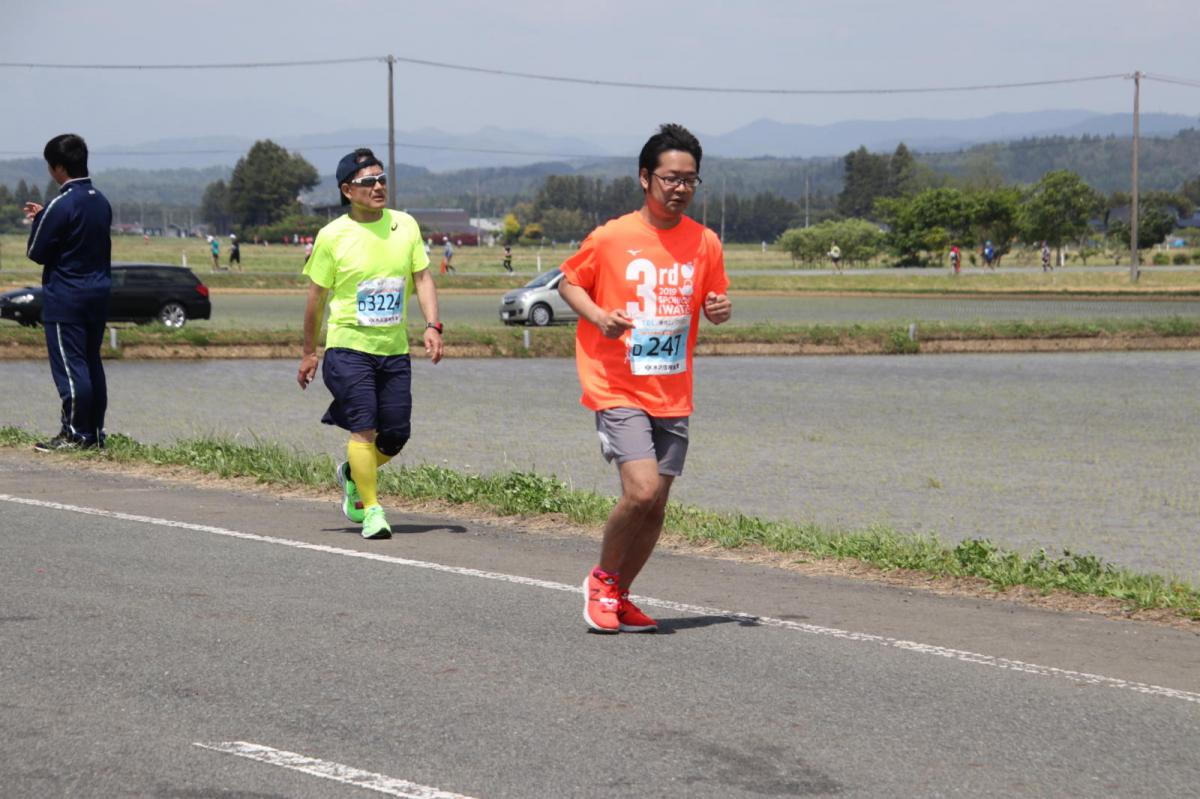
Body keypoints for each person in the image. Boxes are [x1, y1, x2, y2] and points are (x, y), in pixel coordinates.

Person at [558, 123, 731, 634]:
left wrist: (718, 308)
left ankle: (621, 593)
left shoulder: (705, 242)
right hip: (617, 383)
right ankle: (601, 581)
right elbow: (568, 282)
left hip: (672, 388)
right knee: (640, 490)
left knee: (656, 504)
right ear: (644, 178)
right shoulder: (612, 237)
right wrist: (597, 316)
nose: (679, 188)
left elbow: (713, 301)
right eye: (669, 178)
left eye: (690, 180)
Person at [297, 148, 444, 539]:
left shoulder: (406, 226)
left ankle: (351, 473)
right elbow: (316, 299)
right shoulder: (332, 236)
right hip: (348, 347)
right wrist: (310, 351)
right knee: (364, 426)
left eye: (382, 180)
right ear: (348, 190)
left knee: (395, 435)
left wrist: (433, 326)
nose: (379, 187)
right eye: (368, 182)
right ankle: (372, 509)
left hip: (393, 349)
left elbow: (424, 279)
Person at [23, 133, 113, 451]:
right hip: (98, 291)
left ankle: (75, 434)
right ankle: (95, 432)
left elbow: (37, 251)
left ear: (58, 167)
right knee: (91, 362)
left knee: (70, 365)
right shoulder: (99, 200)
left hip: (67, 295)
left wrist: (40, 221)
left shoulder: (61, 203)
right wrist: (46, 214)